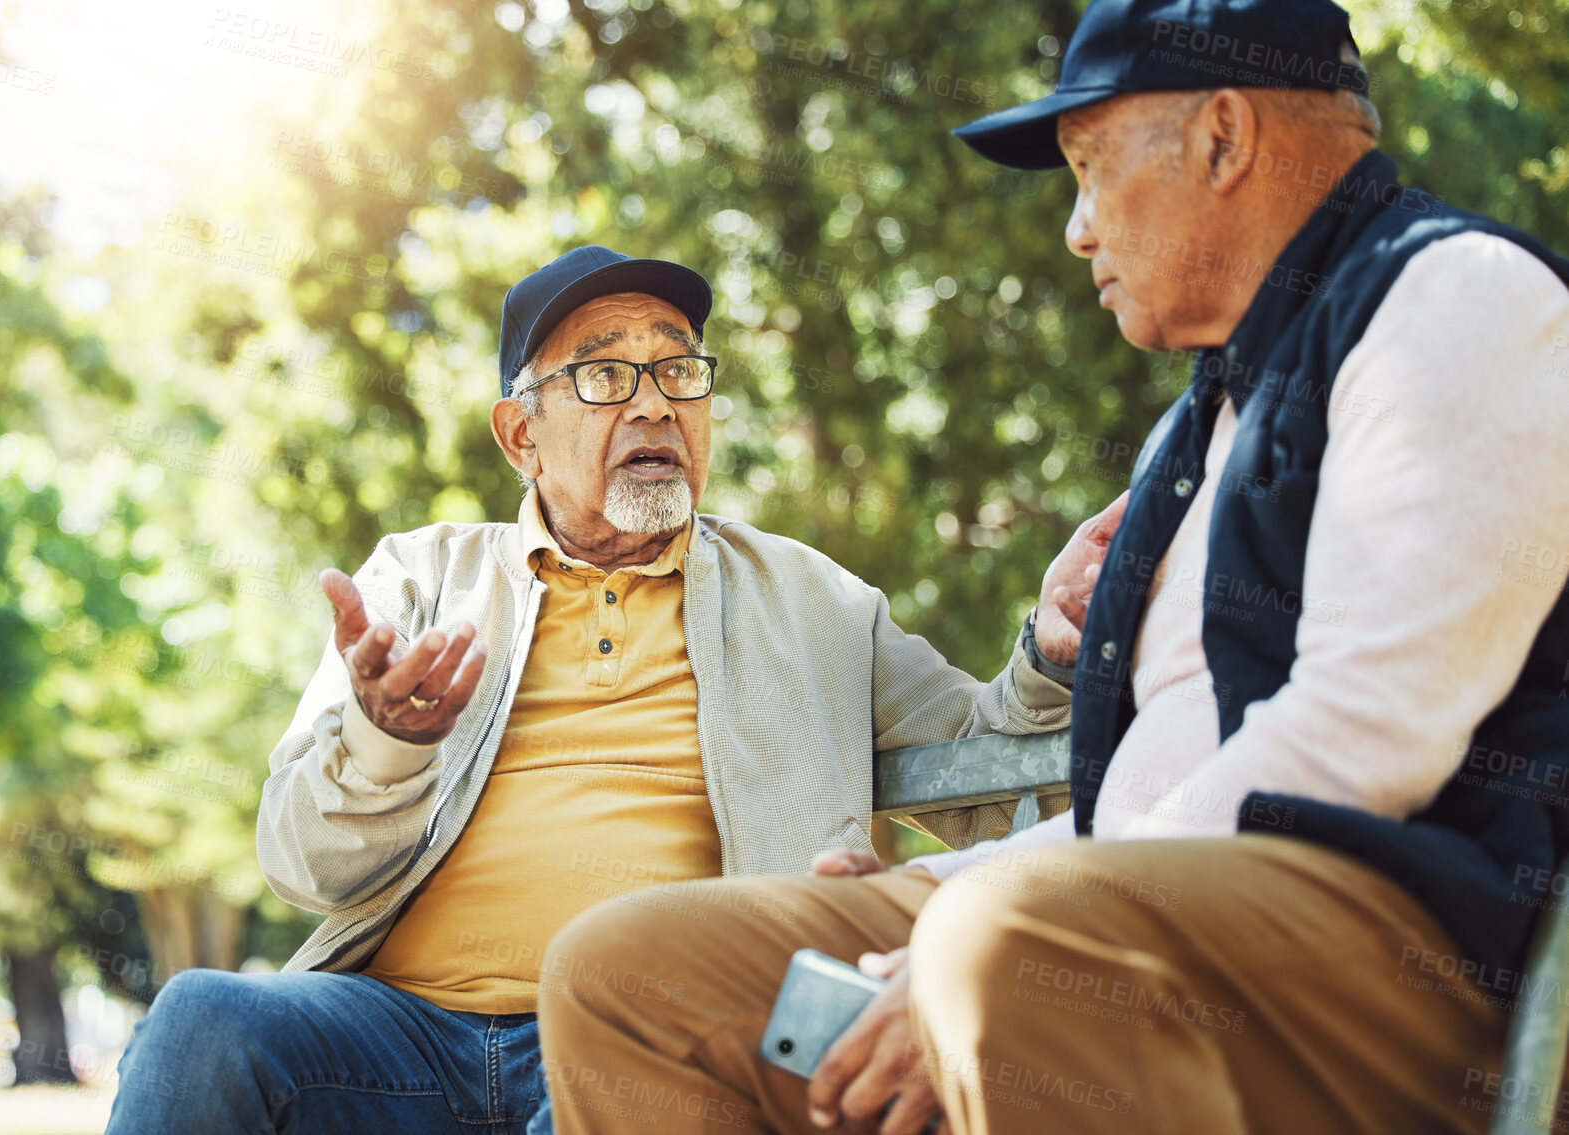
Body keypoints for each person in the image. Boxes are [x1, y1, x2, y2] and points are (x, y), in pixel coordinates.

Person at [535, 2, 1569, 1132]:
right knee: (629, 969)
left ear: (1222, 137)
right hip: (1124, 922)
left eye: (1089, 168)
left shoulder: (1454, 298)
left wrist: (1000, 917)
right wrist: (927, 891)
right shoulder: (1202, 422)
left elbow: (1357, 742)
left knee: (1002, 950)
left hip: (1403, 964)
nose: (1077, 229)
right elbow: (1135, 803)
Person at [104, 244, 1117, 1133]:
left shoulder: (816, 599)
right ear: (520, 434)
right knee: (202, 1023)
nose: (652, 402)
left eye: (678, 367)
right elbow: (297, 862)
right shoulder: (419, 576)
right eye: (602, 374)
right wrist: (382, 737)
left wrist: (1056, 651)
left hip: (654, 1030)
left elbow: (986, 772)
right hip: (397, 1035)